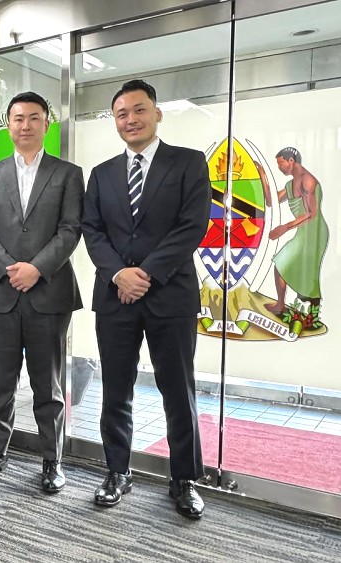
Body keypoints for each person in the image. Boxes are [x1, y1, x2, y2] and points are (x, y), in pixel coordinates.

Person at [81, 79, 210, 518]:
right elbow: (92, 232)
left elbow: (192, 226)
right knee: (115, 389)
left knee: (178, 390)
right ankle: (117, 471)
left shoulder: (189, 163)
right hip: (115, 298)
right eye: (121, 113)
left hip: (170, 296)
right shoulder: (101, 174)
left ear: (157, 114)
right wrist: (119, 273)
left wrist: (146, 274)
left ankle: (185, 478)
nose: (130, 119)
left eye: (139, 110)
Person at [0, 91, 84, 493]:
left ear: (46, 123)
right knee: (0, 382)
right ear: (8, 124)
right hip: (0, 294)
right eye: (17, 118)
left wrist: (36, 269)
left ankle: (51, 460)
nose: (25, 125)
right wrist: (9, 269)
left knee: (47, 385)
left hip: (49, 293)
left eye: (34, 118)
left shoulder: (68, 173)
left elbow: (71, 229)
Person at [259, 147, 329, 315]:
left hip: (315, 232)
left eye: (281, 163)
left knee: (303, 268)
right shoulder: (290, 185)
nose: (279, 167)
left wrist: (284, 228)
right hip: (303, 231)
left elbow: (312, 213)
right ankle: (281, 304)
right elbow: (271, 201)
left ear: (291, 161)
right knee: (281, 262)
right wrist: (262, 174)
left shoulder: (308, 180)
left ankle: (308, 310)